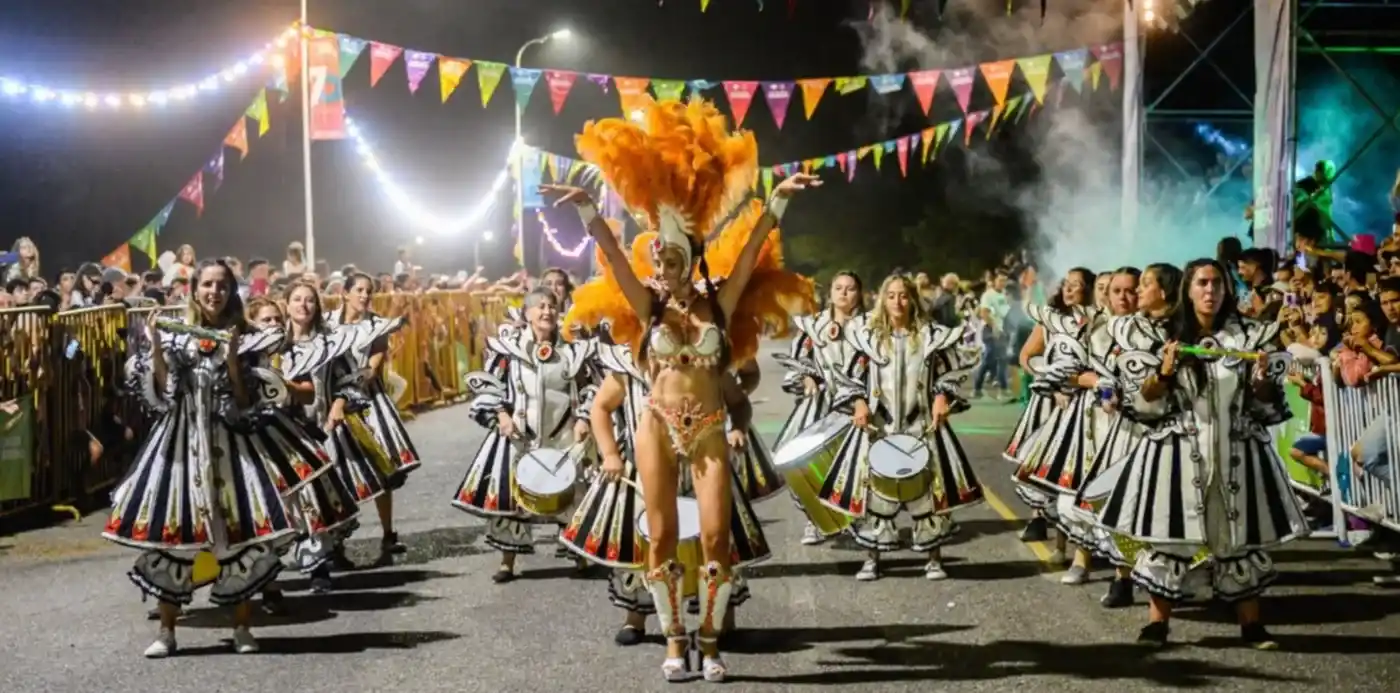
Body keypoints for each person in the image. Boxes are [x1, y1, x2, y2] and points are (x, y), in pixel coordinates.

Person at [544, 96, 818, 682]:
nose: (663, 270)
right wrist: (589, 209)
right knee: (662, 534)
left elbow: (750, 254)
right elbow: (613, 258)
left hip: (710, 428)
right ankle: (674, 641)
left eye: (672, 261)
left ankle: (710, 642)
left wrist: (777, 202)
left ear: (691, 261)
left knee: (716, 537)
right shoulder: (648, 309)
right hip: (657, 427)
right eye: (659, 262)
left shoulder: (718, 306)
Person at [105, 259, 341, 657]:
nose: (214, 292)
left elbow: (248, 402)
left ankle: (243, 628)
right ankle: (166, 632)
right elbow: (162, 395)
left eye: (221, 285)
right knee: (174, 536)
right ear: (195, 289)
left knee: (239, 534)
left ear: (231, 292)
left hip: (232, 445)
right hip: (182, 447)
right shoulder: (175, 334)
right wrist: (157, 347)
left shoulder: (246, 337)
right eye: (207, 285)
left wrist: (232, 360)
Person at [1094, 258, 1307, 649]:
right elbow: (1145, 399)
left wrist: (1262, 379)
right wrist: (1165, 371)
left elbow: (1263, 402)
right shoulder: (1161, 335)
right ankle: (1157, 625)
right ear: (1188, 290)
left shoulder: (1249, 335)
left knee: (1237, 538)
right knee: (1172, 539)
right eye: (1202, 283)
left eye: (1217, 283)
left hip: (1235, 452)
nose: (1211, 291)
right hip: (1177, 453)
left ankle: (1252, 627)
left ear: (1227, 290)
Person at [824, 273, 984, 582]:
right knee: (875, 494)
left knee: (928, 493)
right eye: (891, 295)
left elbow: (949, 373)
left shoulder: (931, 337)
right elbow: (850, 378)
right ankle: (872, 559)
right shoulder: (866, 338)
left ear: (913, 299)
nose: (897, 301)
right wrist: (858, 403)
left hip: (921, 425)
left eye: (903, 295)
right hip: (879, 428)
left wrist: (942, 397)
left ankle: (933, 559)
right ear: (882, 300)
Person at [454, 288, 596, 580]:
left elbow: (592, 386)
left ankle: (579, 555)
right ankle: (507, 561)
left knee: (574, 493)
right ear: (527, 313)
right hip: (521, 436)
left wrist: (584, 417)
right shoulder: (509, 348)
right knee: (513, 499)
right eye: (540, 306)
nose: (547, 312)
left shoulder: (574, 350)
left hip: (564, 435)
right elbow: (491, 384)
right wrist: (502, 415)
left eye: (551, 306)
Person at [326, 273, 421, 564]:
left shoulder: (377, 325)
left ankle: (388, 533)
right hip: (331, 403)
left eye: (369, 291)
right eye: (359, 290)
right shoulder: (327, 324)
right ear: (344, 293)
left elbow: (372, 368)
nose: (365, 296)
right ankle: (336, 542)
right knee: (338, 470)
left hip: (368, 401)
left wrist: (347, 395)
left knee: (382, 467)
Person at [776, 271, 867, 545]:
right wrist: (806, 377)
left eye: (850, 288)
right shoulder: (814, 326)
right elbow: (799, 360)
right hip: (820, 405)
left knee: (855, 465)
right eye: (838, 288)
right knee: (803, 464)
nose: (844, 293)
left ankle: (856, 519)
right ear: (830, 292)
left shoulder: (871, 327)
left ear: (859, 294)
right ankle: (814, 520)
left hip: (857, 406)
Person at [972, 270, 1011, 399]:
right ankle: (981, 388)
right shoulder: (988, 295)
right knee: (992, 360)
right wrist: (994, 327)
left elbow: (1004, 313)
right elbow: (984, 313)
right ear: (994, 281)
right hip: (990, 330)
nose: (1002, 283)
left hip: (1002, 330)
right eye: (1000, 280)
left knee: (998, 360)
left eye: (1005, 280)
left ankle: (998, 388)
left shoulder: (1004, 295)